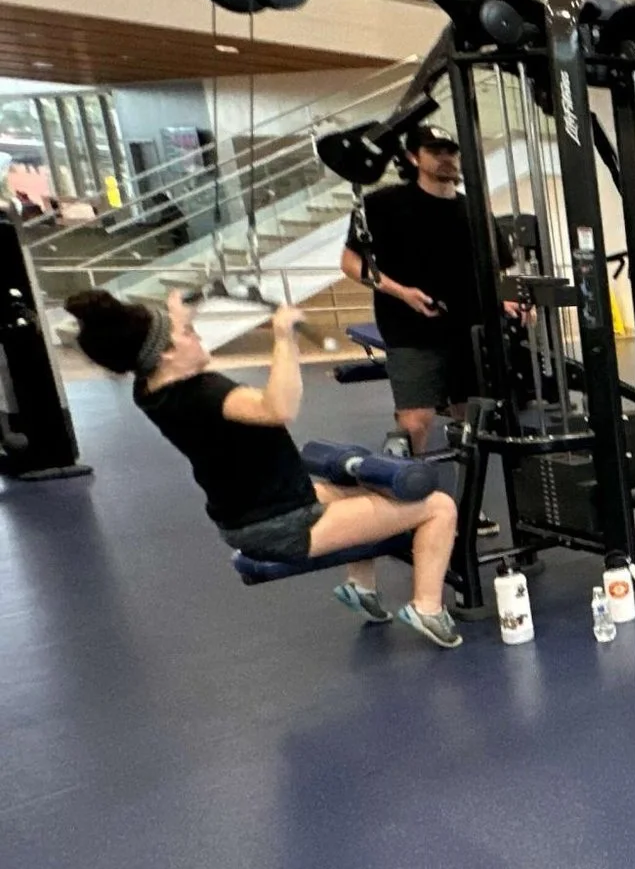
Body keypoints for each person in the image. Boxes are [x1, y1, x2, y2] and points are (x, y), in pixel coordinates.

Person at [64, 290, 463, 648]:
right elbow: (279, 408)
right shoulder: (206, 394)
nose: (197, 336)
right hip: (283, 524)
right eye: (188, 334)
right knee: (438, 507)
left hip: (253, 511)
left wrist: (179, 311)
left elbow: (158, 342)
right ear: (165, 353)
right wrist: (284, 338)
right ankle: (427, 608)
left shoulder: (150, 389)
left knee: (375, 490)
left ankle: (360, 587)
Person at [341, 124, 485, 456]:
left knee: (472, 421)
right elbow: (350, 263)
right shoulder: (383, 204)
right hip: (410, 331)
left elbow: (497, 266)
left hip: (467, 329)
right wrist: (402, 292)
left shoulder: (473, 209)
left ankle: (466, 486)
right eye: (435, 152)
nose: (446, 159)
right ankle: (404, 486)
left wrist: (509, 300)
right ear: (413, 157)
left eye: (451, 152)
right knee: (416, 421)